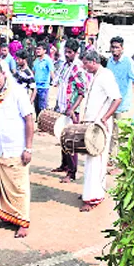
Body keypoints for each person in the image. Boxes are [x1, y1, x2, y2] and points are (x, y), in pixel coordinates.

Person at [0, 62, 34, 238]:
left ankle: (23, 221)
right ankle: (10, 217)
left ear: (4, 74)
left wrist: (28, 148)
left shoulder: (17, 91)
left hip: (17, 148)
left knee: (20, 188)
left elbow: (29, 119)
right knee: (4, 186)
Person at [80, 51, 122, 212]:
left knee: (95, 160)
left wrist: (105, 118)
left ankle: (92, 197)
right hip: (93, 123)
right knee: (93, 160)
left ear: (93, 61)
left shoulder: (105, 75)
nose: (84, 67)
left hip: (99, 125)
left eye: (86, 63)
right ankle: (93, 192)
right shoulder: (98, 74)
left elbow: (117, 98)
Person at [106, 36, 134, 161]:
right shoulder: (110, 62)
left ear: (122, 48)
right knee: (111, 132)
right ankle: (111, 158)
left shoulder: (128, 62)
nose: (114, 50)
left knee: (120, 133)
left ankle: (121, 160)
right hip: (110, 102)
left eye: (117, 47)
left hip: (122, 103)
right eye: (113, 47)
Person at [52, 39, 87, 182]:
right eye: (66, 51)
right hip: (62, 107)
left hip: (71, 110)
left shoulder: (77, 68)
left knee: (70, 141)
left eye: (70, 52)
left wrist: (72, 109)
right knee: (62, 137)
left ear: (76, 52)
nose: (67, 54)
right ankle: (65, 165)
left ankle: (72, 173)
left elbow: (82, 91)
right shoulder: (65, 66)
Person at [32, 42, 55, 120]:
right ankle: (38, 121)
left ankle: (42, 122)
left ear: (44, 50)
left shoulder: (48, 60)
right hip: (36, 87)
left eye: (39, 49)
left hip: (44, 87)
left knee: (42, 106)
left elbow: (52, 72)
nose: (37, 51)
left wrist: (55, 82)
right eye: (37, 49)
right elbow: (33, 72)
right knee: (36, 106)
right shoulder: (36, 61)